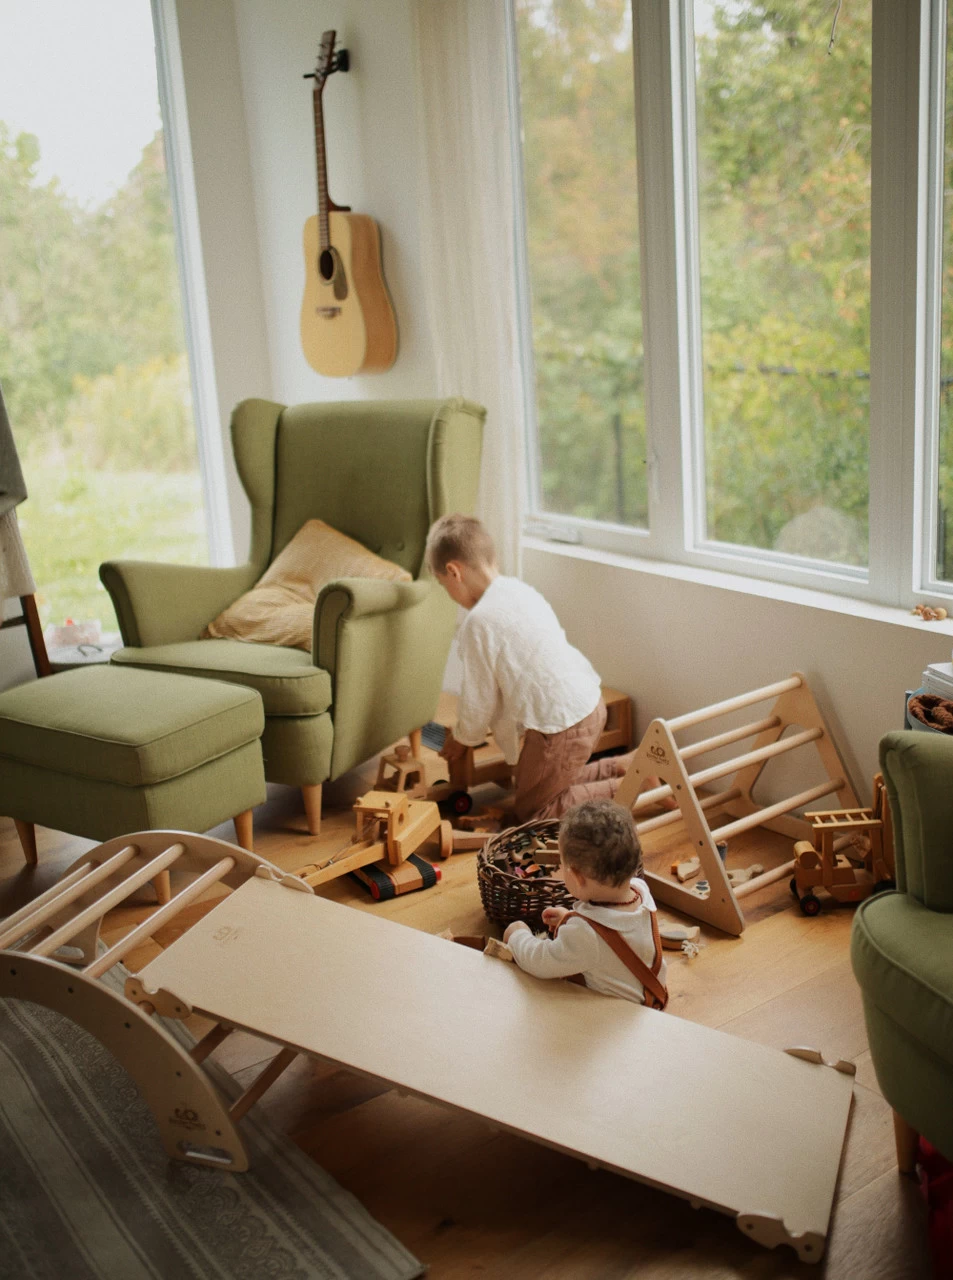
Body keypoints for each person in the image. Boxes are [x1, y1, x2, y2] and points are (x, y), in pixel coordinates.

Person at [425, 512, 667, 823]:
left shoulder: (478, 623)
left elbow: (478, 698)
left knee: (534, 811)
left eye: (444, 585)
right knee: (538, 783)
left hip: (560, 726)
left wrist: (462, 738)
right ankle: (621, 765)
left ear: (453, 572)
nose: (450, 595)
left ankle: (630, 785)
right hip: (588, 703)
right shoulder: (520, 590)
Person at [502, 800, 668, 1008]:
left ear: (578, 878)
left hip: (615, 1016)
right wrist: (569, 919)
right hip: (648, 994)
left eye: (562, 865)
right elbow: (608, 934)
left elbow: (539, 961)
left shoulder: (585, 934)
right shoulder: (640, 891)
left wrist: (518, 936)